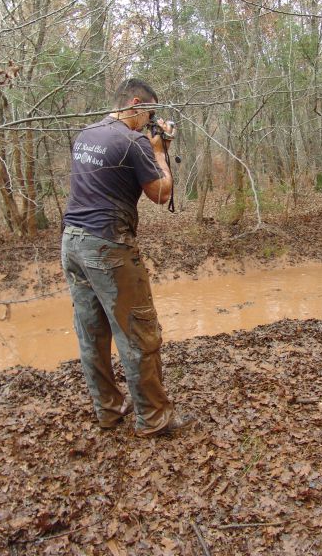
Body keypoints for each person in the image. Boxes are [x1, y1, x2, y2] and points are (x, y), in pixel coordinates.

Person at [61, 78, 193, 437]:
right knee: (139, 331)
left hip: (71, 242)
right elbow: (161, 194)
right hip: (108, 245)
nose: (147, 121)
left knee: (92, 334)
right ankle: (154, 418)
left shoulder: (87, 133)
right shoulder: (131, 140)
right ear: (135, 104)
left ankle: (109, 410)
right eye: (148, 114)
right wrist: (160, 151)